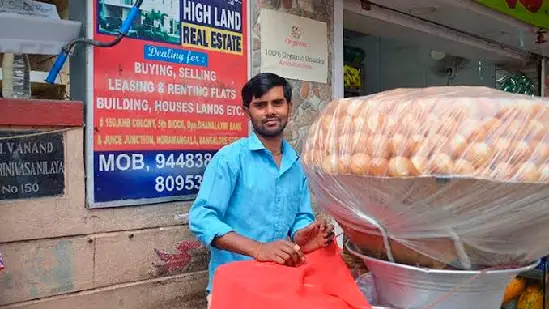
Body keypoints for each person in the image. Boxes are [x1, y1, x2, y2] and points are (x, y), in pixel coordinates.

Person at [189, 72, 335, 308]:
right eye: (260, 105)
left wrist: (303, 234)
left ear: (289, 106)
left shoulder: (297, 165)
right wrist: (258, 249)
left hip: (280, 283)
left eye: (277, 103)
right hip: (234, 287)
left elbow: (301, 215)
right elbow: (201, 218)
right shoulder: (230, 159)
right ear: (247, 111)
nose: (270, 111)